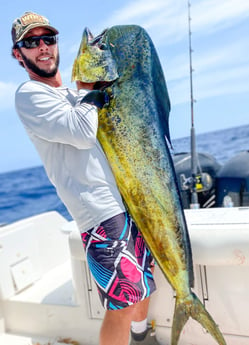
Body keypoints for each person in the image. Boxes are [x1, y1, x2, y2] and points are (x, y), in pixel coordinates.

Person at [11, 11, 160, 345]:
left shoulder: (74, 94)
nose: (43, 47)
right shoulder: (30, 95)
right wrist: (89, 86)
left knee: (144, 284)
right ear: (18, 54)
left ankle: (142, 338)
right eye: (31, 42)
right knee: (122, 304)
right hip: (99, 213)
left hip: (127, 202)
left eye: (48, 38)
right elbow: (80, 133)